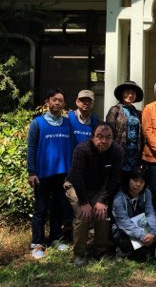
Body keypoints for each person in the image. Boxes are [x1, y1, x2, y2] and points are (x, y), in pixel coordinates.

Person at [64, 122, 123, 266]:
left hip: (98, 187)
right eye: (99, 136)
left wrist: (101, 200)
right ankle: (80, 253)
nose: (103, 141)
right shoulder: (82, 149)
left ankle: (100, 251)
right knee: (83, 216)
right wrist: (84, 203)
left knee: (102, 213)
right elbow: (77, 177)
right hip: (75, 185)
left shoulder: (117, 150)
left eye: (108, 137)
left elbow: (115, 178)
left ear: (113, 138)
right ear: (92, 137)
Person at [27, 88, 73, 258]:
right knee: (41, 209)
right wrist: (31, 172)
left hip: (62, 173)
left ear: (64, 104)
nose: (57, 103)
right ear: (47, 102)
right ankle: (37, 243)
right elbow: (31, 148)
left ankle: (55, 238)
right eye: (54, 99)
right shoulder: (37, 123)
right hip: (42, 174)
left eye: (60, 100)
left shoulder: (67, 123)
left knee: (59, 207)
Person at [111, 167, 156, 260]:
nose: (138, 184)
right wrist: (142, 235)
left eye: (141, 182)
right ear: (128, 180)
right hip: (123, 227)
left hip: (141, 224)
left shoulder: (146, 193)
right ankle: (122, 252)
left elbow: (150, 213)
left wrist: (152, 232)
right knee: (122, 236)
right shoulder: (119, 199)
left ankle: (142, 249)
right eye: (135, 180)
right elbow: (124, 222)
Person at [106, 81, 144, 172]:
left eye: (133, 93)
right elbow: (108, 133)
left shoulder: (138, 113)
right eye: (127, 92)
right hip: (120, 151)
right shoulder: (115, 110)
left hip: (135, 153)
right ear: (122, 94)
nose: (130, 95)